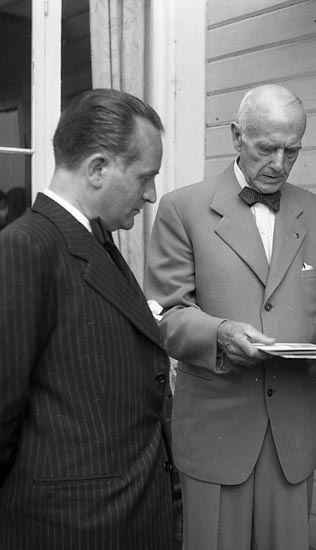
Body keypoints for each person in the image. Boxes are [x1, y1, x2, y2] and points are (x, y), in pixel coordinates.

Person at [145, 83, 316, 550]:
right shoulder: (182, 209)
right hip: (216, 431)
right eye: (267, 148)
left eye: (292, 151)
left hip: (293, 432)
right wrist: (220, 334)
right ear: (236, 136)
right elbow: (165, 314)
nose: (279, 164)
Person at [0, 89, 175, 549]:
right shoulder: (25, 247)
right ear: (97, 169)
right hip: (68, 529)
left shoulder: (96, 242)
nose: (151, 194)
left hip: (126, 519)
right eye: (145, 177)